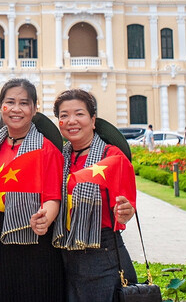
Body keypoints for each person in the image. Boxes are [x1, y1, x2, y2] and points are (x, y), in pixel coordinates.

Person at [52, 89, 137, 302]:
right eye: (64, 115)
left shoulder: (113, 157)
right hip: (65, 255)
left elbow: (126, 209)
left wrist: (126, 211)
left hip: (102, 255)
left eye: (79, 114)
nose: (71, 120)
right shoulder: (58, 158)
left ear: (93, 120)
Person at [0, 79, 65, 302]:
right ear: (1, 107)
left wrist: (44, 220)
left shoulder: (46, 149)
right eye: (10, 102)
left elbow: (53, 198)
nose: (17, 109)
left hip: (36, 240)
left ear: (35, 108)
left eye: (24, 103)